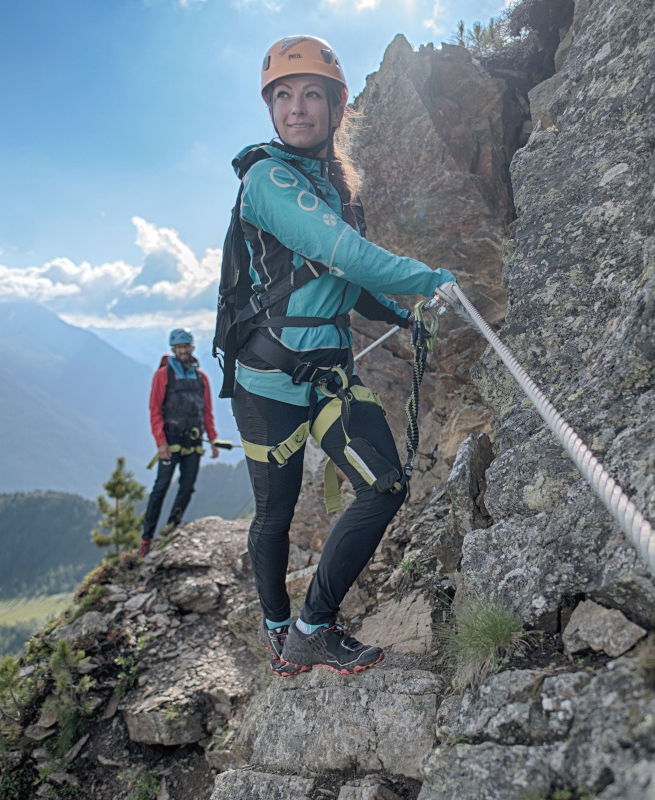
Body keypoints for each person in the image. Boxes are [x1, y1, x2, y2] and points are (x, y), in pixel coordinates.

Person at [226, 35, 456, 676]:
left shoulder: (333, 188)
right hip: (268, 381)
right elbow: (347, 256)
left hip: (330, 375)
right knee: (274, 513)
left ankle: (312, 626)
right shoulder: (268, 180)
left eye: (311, 95)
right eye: (284, 96)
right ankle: (280, 632)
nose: (296, 108)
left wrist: (403, 316)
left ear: (335, 107)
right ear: (271, 108)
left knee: (383, 487)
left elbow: (348, 284)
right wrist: (428, 279)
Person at [141, 328, 219, 557]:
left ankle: (171, 528)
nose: (184, 351)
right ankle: (146, 540)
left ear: (192, 348)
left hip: (193, 439)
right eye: (180, 347)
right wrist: (160, 443)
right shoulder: (163, 375)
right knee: (160, 489)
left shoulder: (201, 377)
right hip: (171, 440)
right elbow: (155, 409)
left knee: (187, 487)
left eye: (187, 347)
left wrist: (213, 439)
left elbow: (207, 411)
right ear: (173, 350)